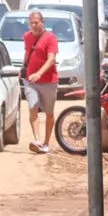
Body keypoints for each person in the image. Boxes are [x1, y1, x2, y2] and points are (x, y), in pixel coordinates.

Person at [22, 11, 58, 155]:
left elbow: (51, 59)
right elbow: (28, 53)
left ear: (43, 22)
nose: (34, 25)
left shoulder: (51, 37)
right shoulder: (26, 36)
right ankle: (37, 141)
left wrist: (39, 73)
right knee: (33, 107)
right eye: (31, 23)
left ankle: (46, 143)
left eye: (36, 22)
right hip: (30, 80)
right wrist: (24, 69)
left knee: (49, 113)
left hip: (48, 81)